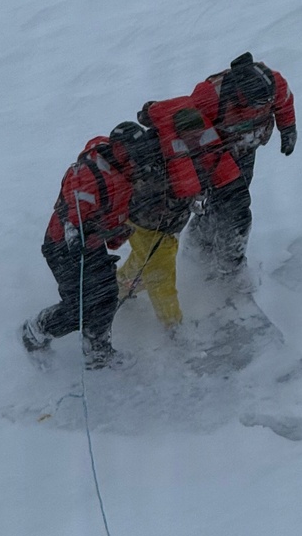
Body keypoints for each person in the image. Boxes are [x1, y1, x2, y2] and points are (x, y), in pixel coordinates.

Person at [21, 128, 136, 368]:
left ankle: (97, 350)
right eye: (128, 151)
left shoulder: (126, 174)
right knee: (80, 307)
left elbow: (114, 216)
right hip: (63, 247)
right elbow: (74, 217)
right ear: (115, 147)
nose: (133, 157)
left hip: (93, 247)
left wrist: (116, 233)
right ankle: (35, 330)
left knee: (106, 297)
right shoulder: (87, 174)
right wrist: (80, 240)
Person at [116, 105, 234, 332]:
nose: (197, 139)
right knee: (161, 276)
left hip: (163, 225)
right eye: (192, 135)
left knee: (143, 262)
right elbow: (146, 189)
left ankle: (115, 289)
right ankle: (173, 328)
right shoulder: (153, 153)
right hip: (148, 224)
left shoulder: (190, 151)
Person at [187, 52, 296, 277]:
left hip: (246, 150)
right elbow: (193, 134)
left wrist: (288, 129)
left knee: (229, 203)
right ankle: (223, 265)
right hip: (214, 157)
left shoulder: (274, 84)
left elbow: (284, 103)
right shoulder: (208, 96)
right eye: (256, 104)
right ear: (240, 93)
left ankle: (204, 250)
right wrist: (211, 167)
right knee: (233, 208)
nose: (263, 106)